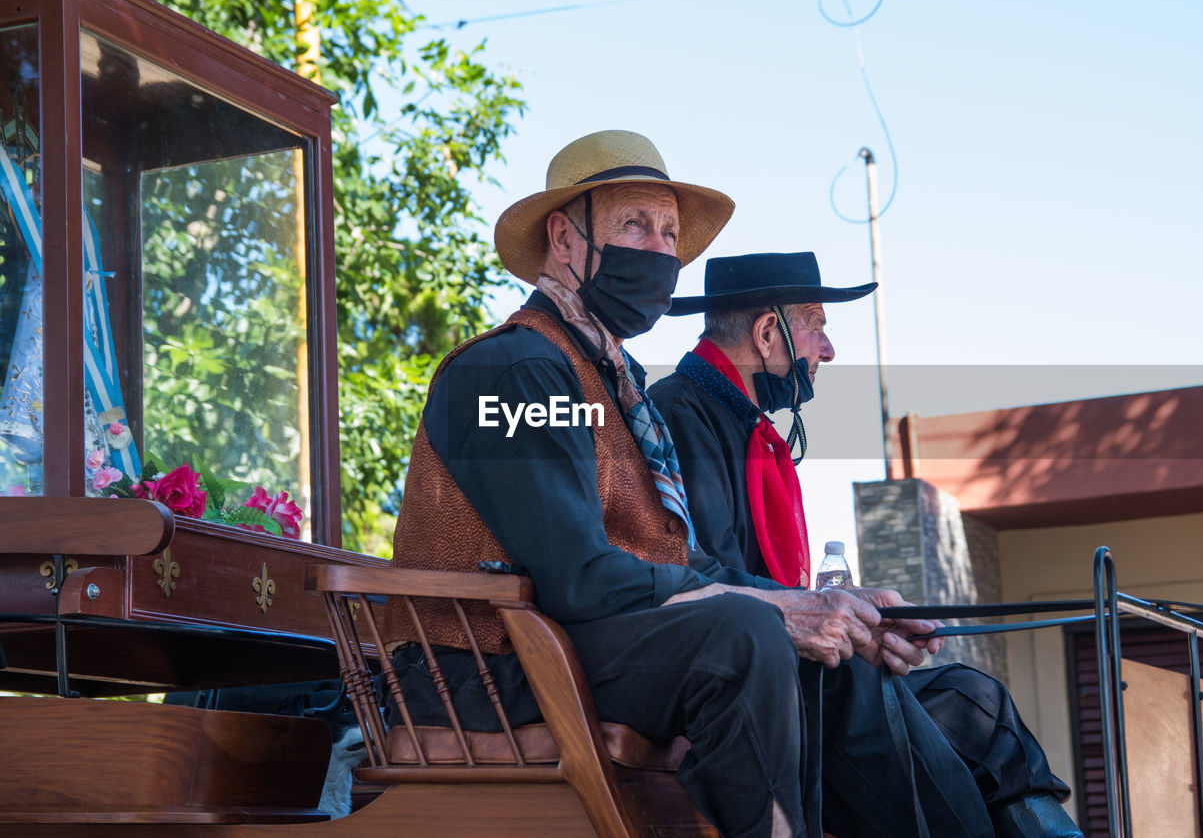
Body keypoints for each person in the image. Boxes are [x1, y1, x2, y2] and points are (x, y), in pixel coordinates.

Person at [379, 129, 1054, 837]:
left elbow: (679, 562)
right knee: (744, 637)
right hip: (478, 671)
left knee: (834, 656)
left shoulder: (614, 385)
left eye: (670, 232)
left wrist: (830, 607)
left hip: (561, 648)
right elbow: (576, 574)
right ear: (564, 238)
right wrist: (773, 609)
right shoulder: (515, 372)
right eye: (636, 224)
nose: (660, 249)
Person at [648, 251, 1082, 836]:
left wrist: (861, 618)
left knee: (975, 700)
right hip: (750, 684)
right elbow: (712, 581)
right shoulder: (681, 412)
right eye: (818, 325)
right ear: (769, 331)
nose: (827, 350)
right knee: (913, 732)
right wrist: (840, 625)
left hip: (796, 663)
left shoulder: (745, 423)